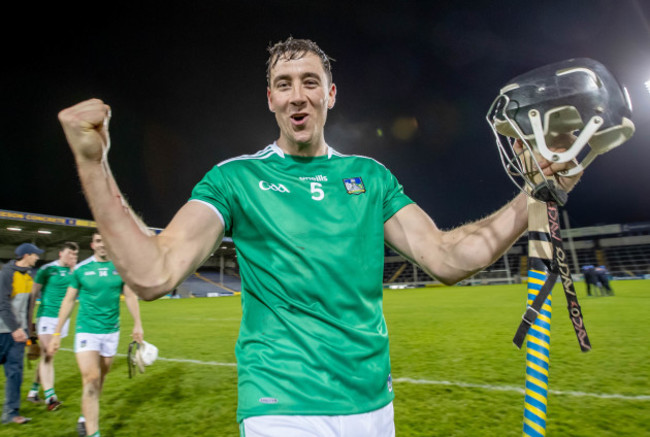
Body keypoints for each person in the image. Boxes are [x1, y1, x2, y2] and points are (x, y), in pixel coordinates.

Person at [57, 37, 581, 436]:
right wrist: (94, 165)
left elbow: (448, 256)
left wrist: (537, 193)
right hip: (281, 407)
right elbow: (154, 273)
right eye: (284, 84)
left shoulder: (370, 176)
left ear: (330, 94)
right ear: (270, 99)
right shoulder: (233, 179)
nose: (297, 95)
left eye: (310, 81)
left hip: (373, 405)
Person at [47, 233, 144, 437]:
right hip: (86, 330)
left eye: (106, 240)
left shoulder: (121, 267)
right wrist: (56, 333)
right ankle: (93, 433)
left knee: (100, 377)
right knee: (91, 377)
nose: (102, 245)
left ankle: (85, 417)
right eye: (98, 241)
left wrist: (137, 324)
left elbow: (129, 295)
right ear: (92, 245)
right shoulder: (81, 269)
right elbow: (68, 300)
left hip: (111, 331)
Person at [26, 241, 79, 410]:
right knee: (48, 353)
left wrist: (74, 270)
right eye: (70, 253)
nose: (73, 257)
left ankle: (34, 391)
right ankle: (51, 398)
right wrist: (29, 321)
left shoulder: (76, 273)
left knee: (47, 356)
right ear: (60, 254)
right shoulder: (47, 269)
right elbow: (33, 294)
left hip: (63, 320)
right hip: (46, 317)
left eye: (75, 254)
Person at [0, 242, 44, 425]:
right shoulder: (7, 274)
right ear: (26, 255)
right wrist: (15, 328)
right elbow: (2, 304)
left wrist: (29, 332)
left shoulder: (28, 277)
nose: (38, 257)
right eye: (35, 255)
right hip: (3, 331)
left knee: (15, 373)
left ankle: (11, 413)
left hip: (19, 335)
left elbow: (27, 308)